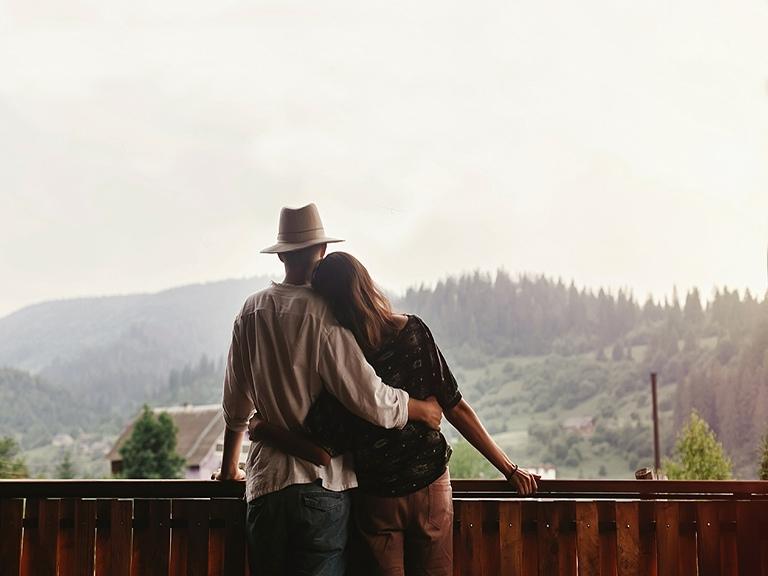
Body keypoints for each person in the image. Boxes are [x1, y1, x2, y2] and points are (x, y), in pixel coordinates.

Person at [249, 251, 539, 576]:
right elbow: (455, 406)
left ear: (326, 302)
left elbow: (321, 447)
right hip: (429, 484)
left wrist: (263, 429)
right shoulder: (411, 332)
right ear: (365, 282)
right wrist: (509, 469)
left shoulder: (343, 359)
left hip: (378, 499)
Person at [213, 204, 443, 576]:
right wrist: (420, 409)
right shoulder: (325, 314)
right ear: (319, 252)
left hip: (265, 486)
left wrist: (229, 471)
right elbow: (371, 400)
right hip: (323, 484)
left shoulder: (249, 312)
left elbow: (235, 408)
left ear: (283, 255)